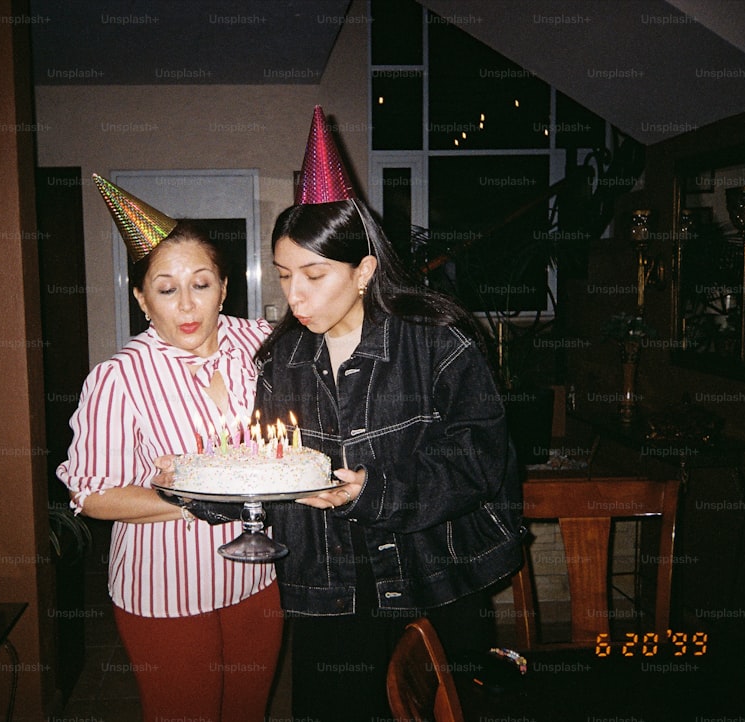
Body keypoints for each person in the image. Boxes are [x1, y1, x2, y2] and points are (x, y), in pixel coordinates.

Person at [256, 107, 526, 721]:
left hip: (435, 577)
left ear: (365, 271)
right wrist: (213, 489)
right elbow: (269, 462)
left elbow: (478, 461)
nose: (293, 295)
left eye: (313, 274)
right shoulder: (283, 357)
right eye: (283, 275)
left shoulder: (437, 340)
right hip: (330, 590)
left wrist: (373, 495)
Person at [56, 175, 283, 722]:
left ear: (225, 288)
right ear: (141, 297)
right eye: (166, 288)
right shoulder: (118, 379)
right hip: (165, 590)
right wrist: (188, 495)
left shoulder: (263, 344)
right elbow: (92, 497)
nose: (187, 304)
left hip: (258, 577)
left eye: (201, 284)